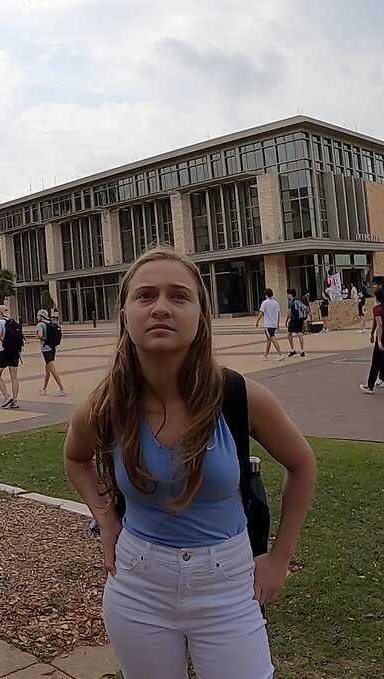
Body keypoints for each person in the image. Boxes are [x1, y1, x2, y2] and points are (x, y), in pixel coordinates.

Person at [63, 247, 316, 679]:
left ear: (200, 315)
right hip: (138, 586)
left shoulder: (239, 396)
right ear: (125, 314)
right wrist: (106, 521)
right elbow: (75, 458)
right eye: (146, 296)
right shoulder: (107, 404)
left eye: (179, 296)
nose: (161, 307)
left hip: (228, 585)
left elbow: (303, 465)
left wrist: (278, 560)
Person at [0, 304, 22, 409]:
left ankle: (6, 396)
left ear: (0, 312)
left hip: (4, 351)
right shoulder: (12, 322)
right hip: (15, 352)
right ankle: (15, 399)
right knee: (14, 376)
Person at [35, 309, 68, 397]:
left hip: (46, 349)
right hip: (53, 347)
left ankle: (62, 389)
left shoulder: (40, 324)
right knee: (48, 370)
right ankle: (44, 389)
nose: (37, 317)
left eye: (38, 315)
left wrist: (37, 336)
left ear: (41, 316)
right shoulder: (51, 323)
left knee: (52, 370)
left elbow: (40, 335)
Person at [254, 288, 282, 360]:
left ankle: (280, 354)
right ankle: (266, 354)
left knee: (272, 337)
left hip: (268, 324)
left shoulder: (265, 303)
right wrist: (278, 324)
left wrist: (257, 321)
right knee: (269, 339)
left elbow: (261, 312)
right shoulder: (276, 303)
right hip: (274, 323)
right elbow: (278, 314)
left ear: (266, 295)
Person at [285, 289, 307, 358]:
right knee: (300, 334)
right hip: (300, 320)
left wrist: (286, 321)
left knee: (289, 334)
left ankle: (292, 349)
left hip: (294, 320)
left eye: (288, 294)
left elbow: (289, 313)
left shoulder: (291, 303)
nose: (288, 296)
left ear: (290, 295)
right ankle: (302, 350)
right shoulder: (299, 301)